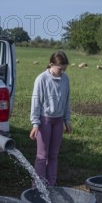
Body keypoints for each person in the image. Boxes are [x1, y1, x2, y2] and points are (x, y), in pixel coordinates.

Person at [29, 50, 72, 186]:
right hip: (45, 121)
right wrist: (36, 123)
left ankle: (51, 185)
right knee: (42, 155)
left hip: (58, 121)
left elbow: (66, 100)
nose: (62, 71)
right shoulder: (41, 79)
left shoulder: (65, 79)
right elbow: (36, 102)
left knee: (53, 155)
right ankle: (39, 186)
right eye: (60, 68)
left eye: (64, 69)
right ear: (51, 64)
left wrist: (67, 120)